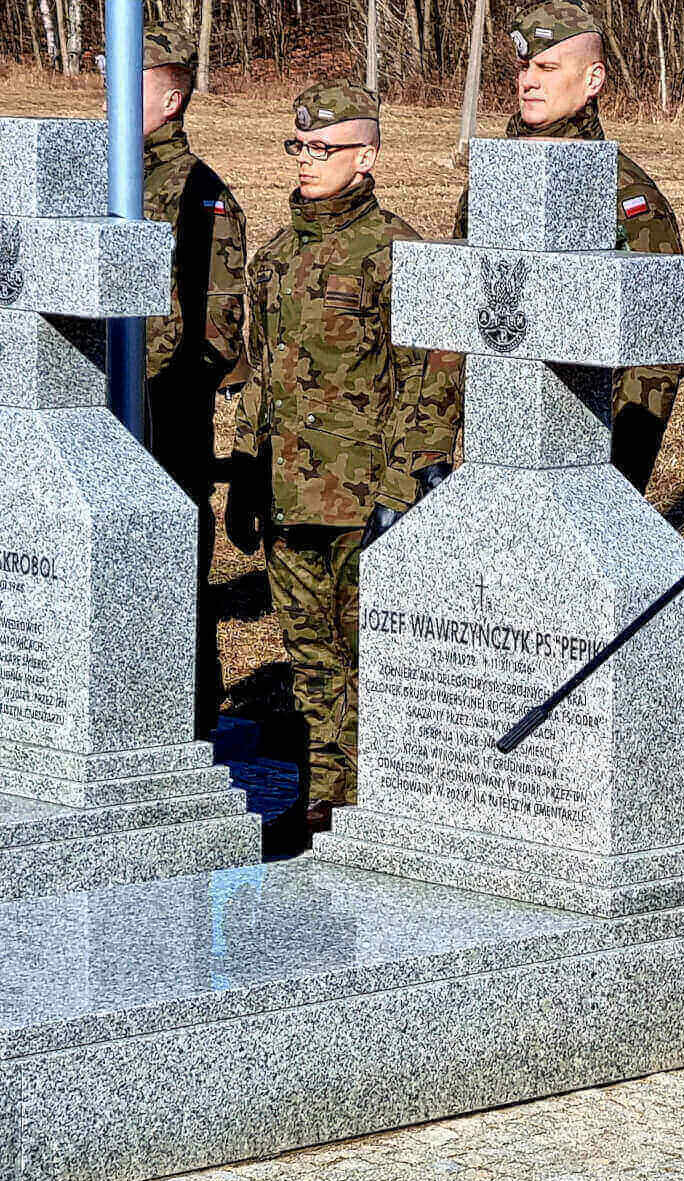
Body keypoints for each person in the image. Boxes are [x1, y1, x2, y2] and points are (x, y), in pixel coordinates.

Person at [230, 82, 457, 836]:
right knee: (309, 655)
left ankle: (380, 798)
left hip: (364, 496)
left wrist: (408, 484)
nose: (307, 161)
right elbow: (261, 374)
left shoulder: (399, 253)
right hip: (290, 493)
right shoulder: (275, 257)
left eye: (324, 149)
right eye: (299, 146)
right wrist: (244, 475)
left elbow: (432, 376)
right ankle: (324, 794)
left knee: (375, 658)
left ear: (368, 156)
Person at [449, 0, 684, 494]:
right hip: (494, 440)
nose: (528, 81)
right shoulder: (493, 180)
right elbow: (459, 306)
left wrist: (616, 477)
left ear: (592, 80)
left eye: (547, 67)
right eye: (523, 67)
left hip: (581, 443)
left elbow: (656, 341)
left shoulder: (625, 195)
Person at [139, 20, 247, 740]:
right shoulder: (95, 175)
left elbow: (218, 330)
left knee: (172, 581)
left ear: (172, 100)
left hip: (163, 415)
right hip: (98, 410)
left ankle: (186, 726)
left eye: (132, 85)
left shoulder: (199, 193)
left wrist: (158, 390)